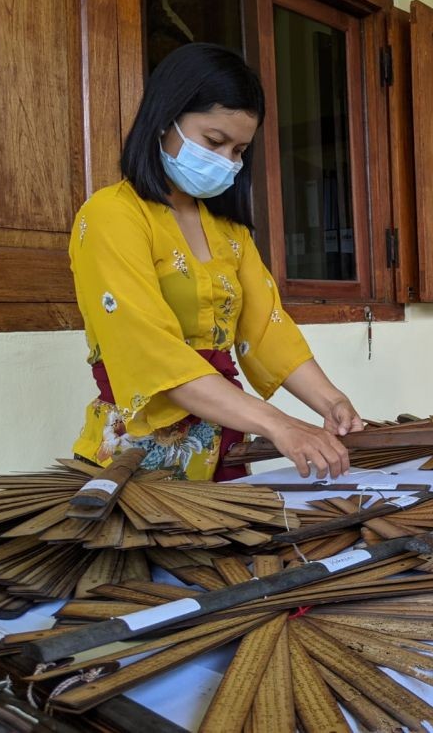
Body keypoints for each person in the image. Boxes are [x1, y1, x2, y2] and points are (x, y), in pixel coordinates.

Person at [70, 43, 362, 482]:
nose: (227, 162)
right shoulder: (112, 215)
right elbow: (154, 355)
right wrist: (279, 424)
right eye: (214, 141)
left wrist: (330, 401)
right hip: (134, 457)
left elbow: (266, 330)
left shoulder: (229, 231)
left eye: (239, 150)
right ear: (164, 119)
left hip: (222, 447)